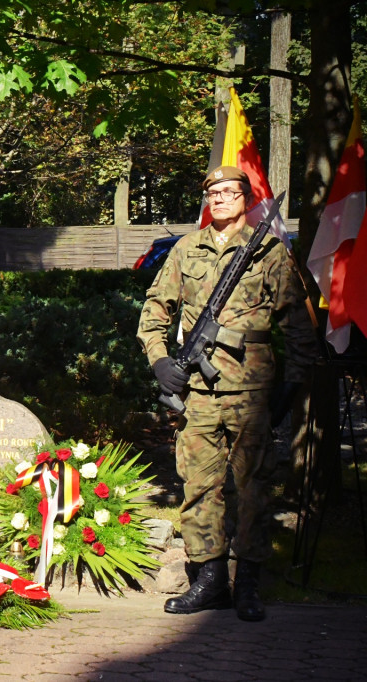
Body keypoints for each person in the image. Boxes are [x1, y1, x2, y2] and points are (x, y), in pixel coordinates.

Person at [136, 165, 316, 621]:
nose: (219, 199)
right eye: (212, 192)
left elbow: (297, 322)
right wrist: (160, 360)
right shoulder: (185, 249)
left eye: (228, 191)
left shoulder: (269, 252)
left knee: (253, 485)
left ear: (246, 198)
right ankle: (211, 579)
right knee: (198, 485)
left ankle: (248, 581)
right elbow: (155, 309)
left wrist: (292, 384)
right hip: (198, 392)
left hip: (252, 389)